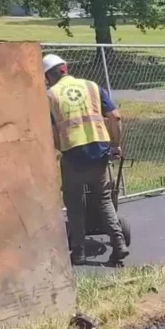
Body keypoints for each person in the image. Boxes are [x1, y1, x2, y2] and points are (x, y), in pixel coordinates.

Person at [43, 53, 130, 267]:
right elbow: (115, 116)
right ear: (66, 68)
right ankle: (119, 244)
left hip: (73, 154)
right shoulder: (92, 86)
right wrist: (115, 145)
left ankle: (79, 251)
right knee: (103, 199)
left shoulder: (50, 95)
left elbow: (52, 131)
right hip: (98, 150)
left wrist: (59, 147)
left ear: (48, 77)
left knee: (73, 201)